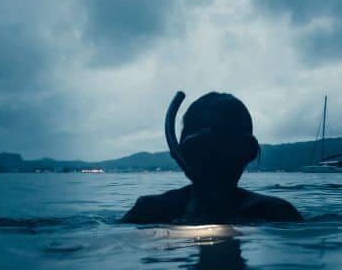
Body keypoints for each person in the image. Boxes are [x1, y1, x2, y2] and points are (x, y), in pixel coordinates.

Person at [121, 92, 303, 224]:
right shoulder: (150, 211)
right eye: (204, 150)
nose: (217, 162)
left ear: (247, 155)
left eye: (230, 150)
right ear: (181, 155)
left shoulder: (275, 213)